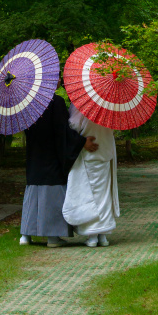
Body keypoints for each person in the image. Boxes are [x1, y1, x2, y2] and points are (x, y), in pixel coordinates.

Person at [20, 92, 99, 248]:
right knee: (52, 190)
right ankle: (53, 237)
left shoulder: (27, 102)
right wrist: (82, 142)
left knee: (33, 190)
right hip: (51, 155)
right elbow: (62, 130)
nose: (58, 79)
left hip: (34, 154)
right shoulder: (55, 101)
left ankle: (25, 235)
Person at [62, 105, 120, 248]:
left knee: (89, 192)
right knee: (104, 194)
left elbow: (74, 125)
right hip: (105, 150)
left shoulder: (81, 103)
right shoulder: (111, 105)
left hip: (88, 152)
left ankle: (92, 235)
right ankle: (103, 236)